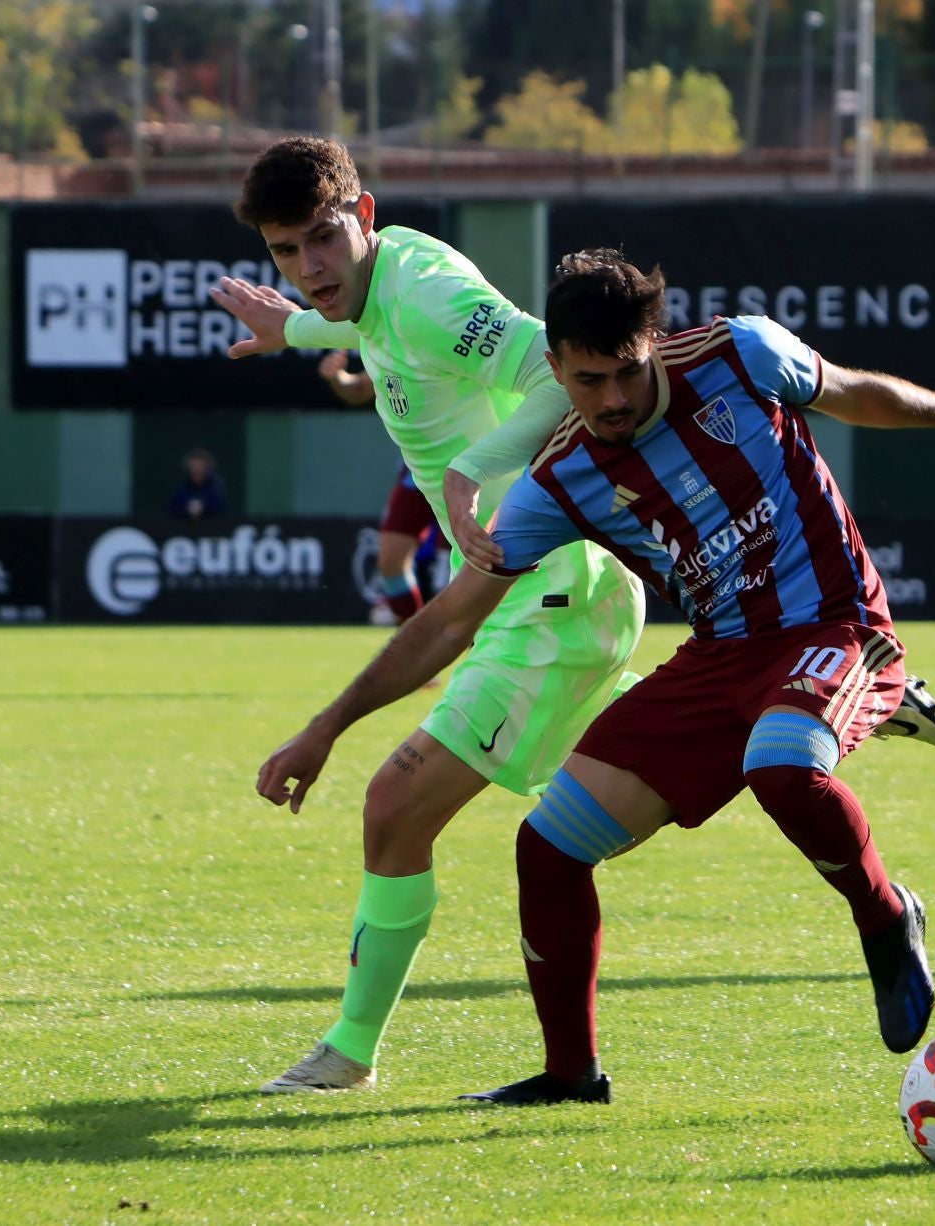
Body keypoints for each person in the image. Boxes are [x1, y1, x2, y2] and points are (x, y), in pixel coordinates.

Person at [259, 249, 935, 1106]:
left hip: (835, 621)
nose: (613, 400)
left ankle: (887, 916)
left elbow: (853, 392)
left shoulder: (738, 353)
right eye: (587, 381)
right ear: (554, 369)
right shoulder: (559, 478)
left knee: (780, 765)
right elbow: (449, 621)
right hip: (716, 660)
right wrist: (326, 726)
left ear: (654, 344)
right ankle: (569, 1075)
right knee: (547, 847)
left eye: (627, 372)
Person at [210, 136, 649, 1095]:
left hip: (550, 588)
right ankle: (791, 695)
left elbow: (556, 368)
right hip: (533, 591)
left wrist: (471, 470)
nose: (309, 267)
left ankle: (349, 1054)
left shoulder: (428, 292)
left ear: (364, 216)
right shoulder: (376, 297)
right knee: (585, 802)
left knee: (393, 808)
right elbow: (364, 327)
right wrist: (294, 332)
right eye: (287, 251)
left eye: (323, 238)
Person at [319, 349, 440, 625]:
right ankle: (415, 653)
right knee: (391, 564)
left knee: (458, 572)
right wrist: (338, 378)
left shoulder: (448, 335)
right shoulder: (393, 347)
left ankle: (480, 658)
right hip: (417, 473)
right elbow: (359, 389)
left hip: (469, 467)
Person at [168, 448, 228, 519]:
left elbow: (220, 508)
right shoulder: (182, 487)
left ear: (207, 468)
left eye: (200, 466)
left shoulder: (216, 487)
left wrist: (203, 508)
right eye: (194, 466)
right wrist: (187, 509)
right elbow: (172, 507)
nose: (197, 469)